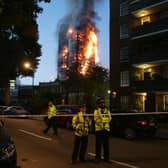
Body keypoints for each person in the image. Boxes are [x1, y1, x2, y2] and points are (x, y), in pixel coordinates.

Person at [94, 98, 112, 163]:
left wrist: (102, 119)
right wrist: (105, 120)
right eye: (101, 103)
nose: (102, 104)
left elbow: (109, 119)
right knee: (98, 145)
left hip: (106, 130)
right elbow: (96, 120)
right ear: (99, 104)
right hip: (99, 130)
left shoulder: (107, 110)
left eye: (103, 103)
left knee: (106, 145)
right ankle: (97, 158)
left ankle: (106, 158)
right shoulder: (96, 111)